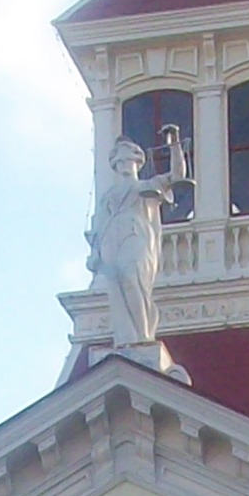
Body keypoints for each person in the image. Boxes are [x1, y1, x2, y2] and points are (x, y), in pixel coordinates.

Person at [87, 126, 190, 350]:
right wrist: (94, 253)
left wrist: (174, 143)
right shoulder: (109, 195)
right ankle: (127, 338)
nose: (123, 165)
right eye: (118, 161)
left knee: (131, 276)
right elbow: (99, 226)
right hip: (112, 237)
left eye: (126, 159)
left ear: (136, 161)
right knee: (116, 286)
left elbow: (178, 175)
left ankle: (143, 333)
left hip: (137, 233)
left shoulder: (148, 186)